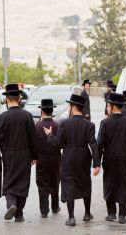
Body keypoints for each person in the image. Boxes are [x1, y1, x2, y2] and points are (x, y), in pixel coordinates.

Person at [44, 94, 100, 227]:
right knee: (85, 182)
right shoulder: (89, 125)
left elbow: (58, 144)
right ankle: (87, 213)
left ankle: (71, 218)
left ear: (73, 107)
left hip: (68, 156)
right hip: (83, 156)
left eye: (70, 105)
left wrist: (50, 135)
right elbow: (93, 144)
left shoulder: (65, 124)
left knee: (69, 183)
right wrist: (97, 164)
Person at [0, 84, 37, 222]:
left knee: (9, 181)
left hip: (8, 153)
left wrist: (2, 150)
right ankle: (19, 214)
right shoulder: (27, 116)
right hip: (25, 153)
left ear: (7, 99)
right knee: (23, 182)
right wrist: (34, 156)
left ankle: (11, 204)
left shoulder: (2, 117)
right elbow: (33, 138)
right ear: (19, 98)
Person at [98, 93, 126, 224]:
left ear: (113, 106)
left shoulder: (105, 122)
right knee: (124, 185)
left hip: (109, 160)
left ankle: (111, 214)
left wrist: (97, 161)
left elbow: (99, 144)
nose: (107, 108)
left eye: (108, 106)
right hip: (124, 159)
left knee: (110, 184)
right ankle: (122, 216)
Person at [35, 99, 61, 218]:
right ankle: (55, 207)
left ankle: (44, 210)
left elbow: (33, 144)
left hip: (41, 158)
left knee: (42, 182)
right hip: (56, 158)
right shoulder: (58, 125)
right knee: (55, 180)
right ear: (52, 110)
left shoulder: (37, 126)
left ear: (42, 111)